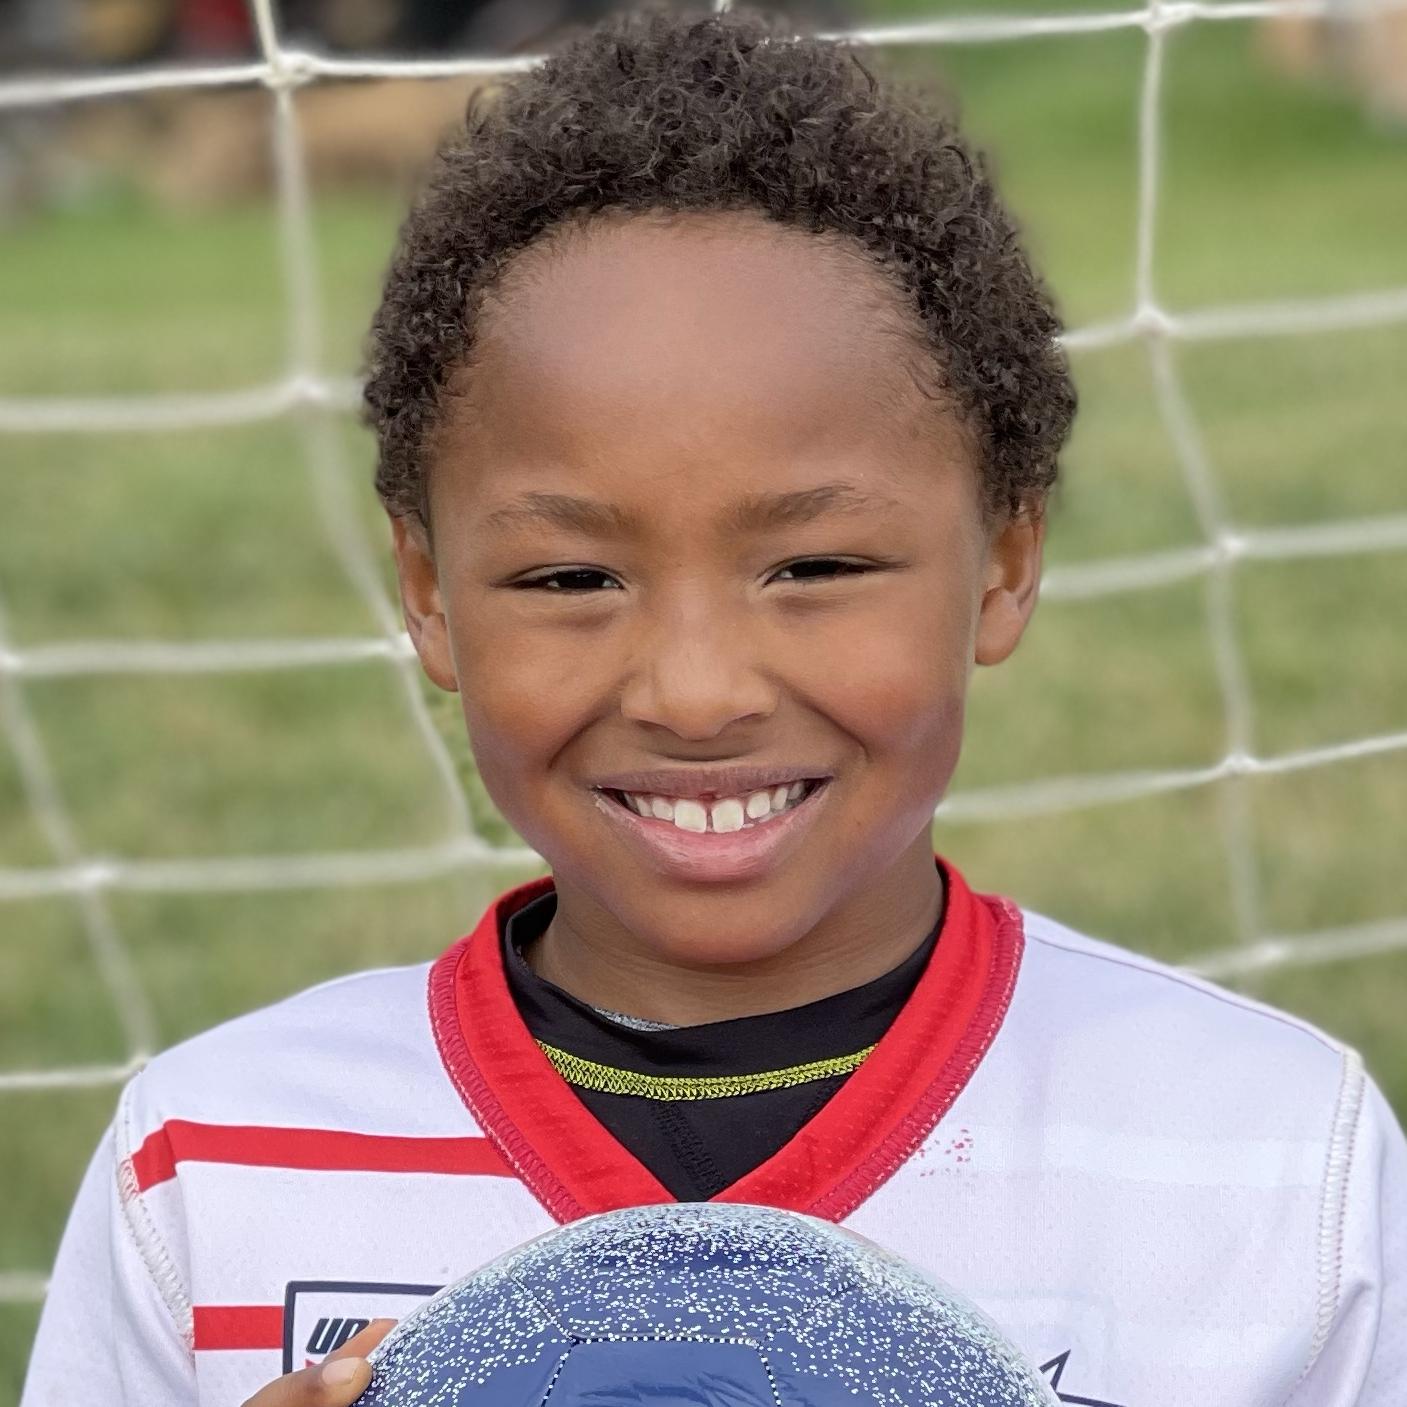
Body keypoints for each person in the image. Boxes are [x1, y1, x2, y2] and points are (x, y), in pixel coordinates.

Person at [20, 9, 1406, 1406]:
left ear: (1005, 559)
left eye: (816, 568)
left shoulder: (1276, 1164)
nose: (694, 693)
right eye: (571, 577)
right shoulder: (208, 1166)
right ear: (429, 593)